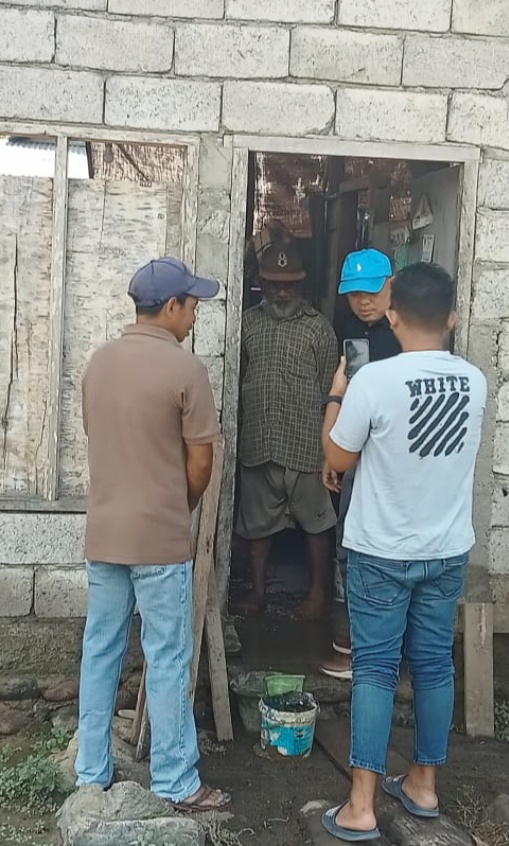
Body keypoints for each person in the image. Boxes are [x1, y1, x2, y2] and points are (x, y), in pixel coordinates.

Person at [320, 263, 487, 842]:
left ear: (392, 317)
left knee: (375, 669)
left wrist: (337, 392)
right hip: (446, 549)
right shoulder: (474, 382)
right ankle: (423, 785)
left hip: (381, 551)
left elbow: (337, 458)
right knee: (435, 665)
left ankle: (361, 807)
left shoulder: (374, 380)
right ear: (452, 318)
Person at [76, 257, 231, 813]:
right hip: (159, 539)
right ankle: (175, 781)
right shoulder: (186, 370)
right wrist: (177, 506)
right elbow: (201, 462)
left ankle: (90, 773)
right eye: (191, 305)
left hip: (104, 534)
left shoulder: (98, 363)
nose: (194, 315)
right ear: (170, 307)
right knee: (166, 654)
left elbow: (98, 438)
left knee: (101, 649)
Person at [236, 226, 338, 621]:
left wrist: (330, 445)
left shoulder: (319, 328)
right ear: (261, 283)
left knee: (316, 523)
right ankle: (258, 593)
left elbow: (331, 389)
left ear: (301, 284)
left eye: (289, 285)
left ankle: (317, 594)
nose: (281, 292)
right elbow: (238, 377)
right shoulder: (247, 324)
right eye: (274, 284)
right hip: (259, 440)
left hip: (306, 444)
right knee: (256, 526)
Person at [321, 249, 401, 681]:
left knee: (382, 548)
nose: (363, 302)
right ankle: (353, 639)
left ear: (392, 285)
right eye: (354, 294)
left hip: (394, 456)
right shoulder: (349, 328)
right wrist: (335, 454)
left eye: (371, 292)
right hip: (355, 449)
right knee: (349, 543)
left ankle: (373, 652)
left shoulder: (406, 332)